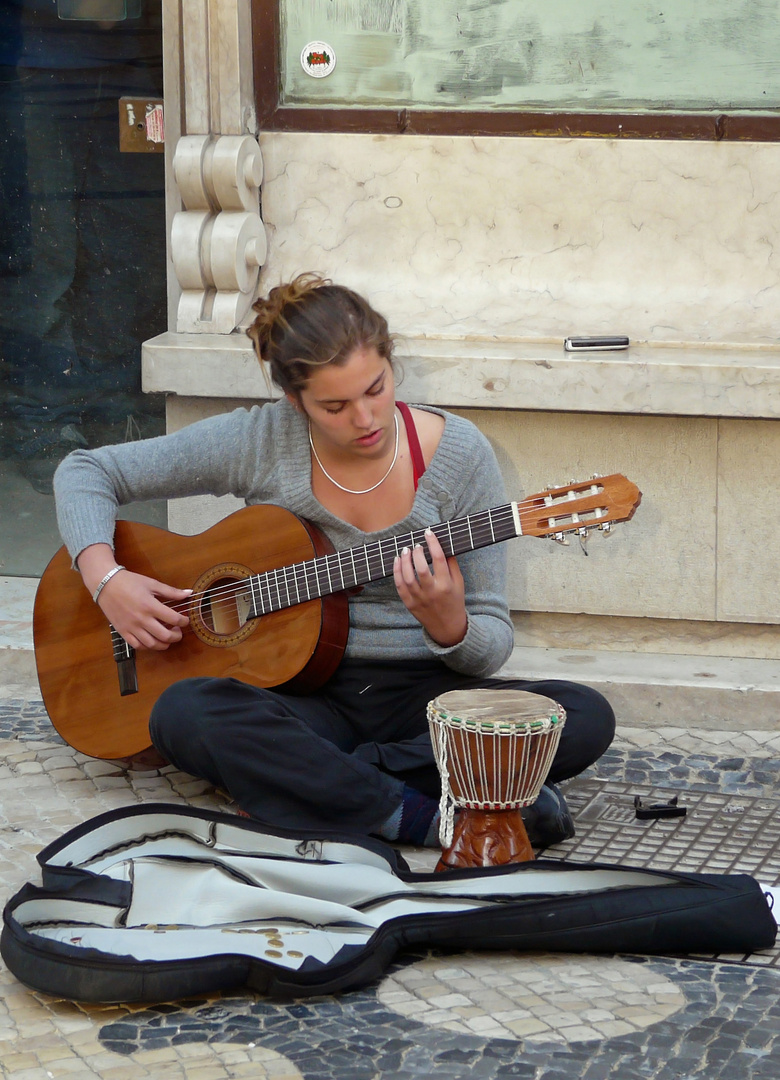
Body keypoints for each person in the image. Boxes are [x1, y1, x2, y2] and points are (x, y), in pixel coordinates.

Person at [53, 274, 615, 848]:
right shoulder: (261, 440)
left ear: (392, 363)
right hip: (297, 699)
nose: (366, 418)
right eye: (335, 406)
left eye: (376, 389)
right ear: (295, 401)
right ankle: (424, 816)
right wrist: (108, 580)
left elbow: (490, 645)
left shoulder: (459, 454)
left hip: (421, 700)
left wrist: (452, 624)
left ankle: (317, 781)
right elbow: (86, 471)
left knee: (582, 716)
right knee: (182, 712)